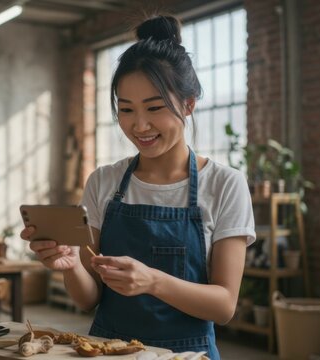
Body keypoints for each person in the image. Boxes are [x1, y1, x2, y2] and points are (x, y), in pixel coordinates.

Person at [21, 14, 255, 359]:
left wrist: (153, 282)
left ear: (188, 105)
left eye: (155, 108)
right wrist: (70, 264)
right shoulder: (104, 181)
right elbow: (88, 299)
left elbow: (224, 306)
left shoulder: (224, 184)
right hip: (106, 350)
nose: (139, 125)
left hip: (187, 355)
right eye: (126, 109)